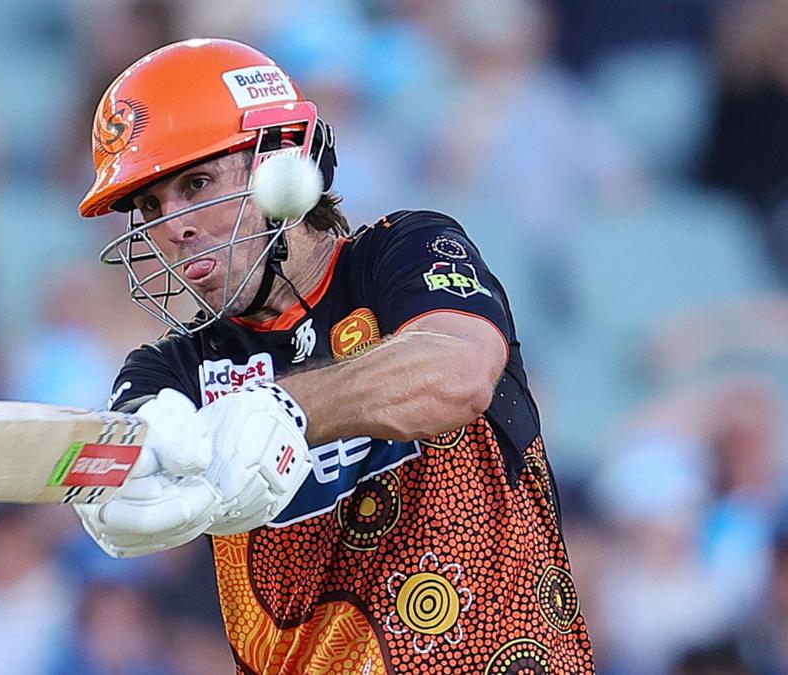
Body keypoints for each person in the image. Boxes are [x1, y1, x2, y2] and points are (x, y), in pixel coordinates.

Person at [75, 38, 594, 673]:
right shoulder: (168, 370)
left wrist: (281, 409)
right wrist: (123, 486)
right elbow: (134, 455)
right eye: (151, 205)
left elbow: (458, 374)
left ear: (282, 168)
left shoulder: (404, 252)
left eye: (197, 183)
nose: (173, 227)